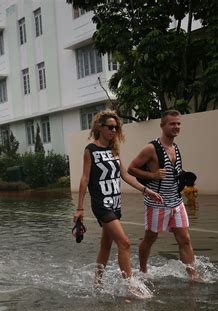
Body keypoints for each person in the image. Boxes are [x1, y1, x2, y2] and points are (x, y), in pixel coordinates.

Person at [73, 110, 163, 286]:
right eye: (110, 127)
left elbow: (125, 175)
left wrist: (146, 190)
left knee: (106, 245)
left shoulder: (113, 150)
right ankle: (130, 286)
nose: (114, 130)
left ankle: (97, 283)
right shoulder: (90, 150)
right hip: (101, 204)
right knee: (125, 243)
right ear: (100, 127)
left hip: (115, 203)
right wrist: (79, 208)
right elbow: (84, 179)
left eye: (116, 127)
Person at [128, 109, 199, 279]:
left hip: (176, 201)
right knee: (150, 238)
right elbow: (131, 169)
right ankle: (143, 271)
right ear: (162, 126)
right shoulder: (151, 148)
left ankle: (193, 275)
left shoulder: (175, 147)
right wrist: (152, 175)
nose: (176, 127)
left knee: (185, 239)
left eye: (178, 123)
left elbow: (174, 171)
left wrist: (184, 176)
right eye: (172, 123)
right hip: (156, 202)